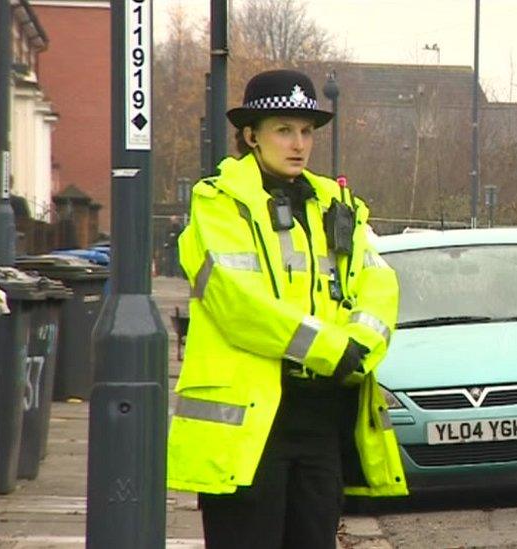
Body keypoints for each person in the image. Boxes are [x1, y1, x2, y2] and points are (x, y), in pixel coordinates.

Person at [166, 69, 407, 549]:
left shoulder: (337, 203)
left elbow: (378, 280)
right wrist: (330, 350)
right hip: (251, 425)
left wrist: (359, 347)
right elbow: (237, 303)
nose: (298, 143)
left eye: (306, 131)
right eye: (284, 129)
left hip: (321, 418)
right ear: (251, 136)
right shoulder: (218, 203)